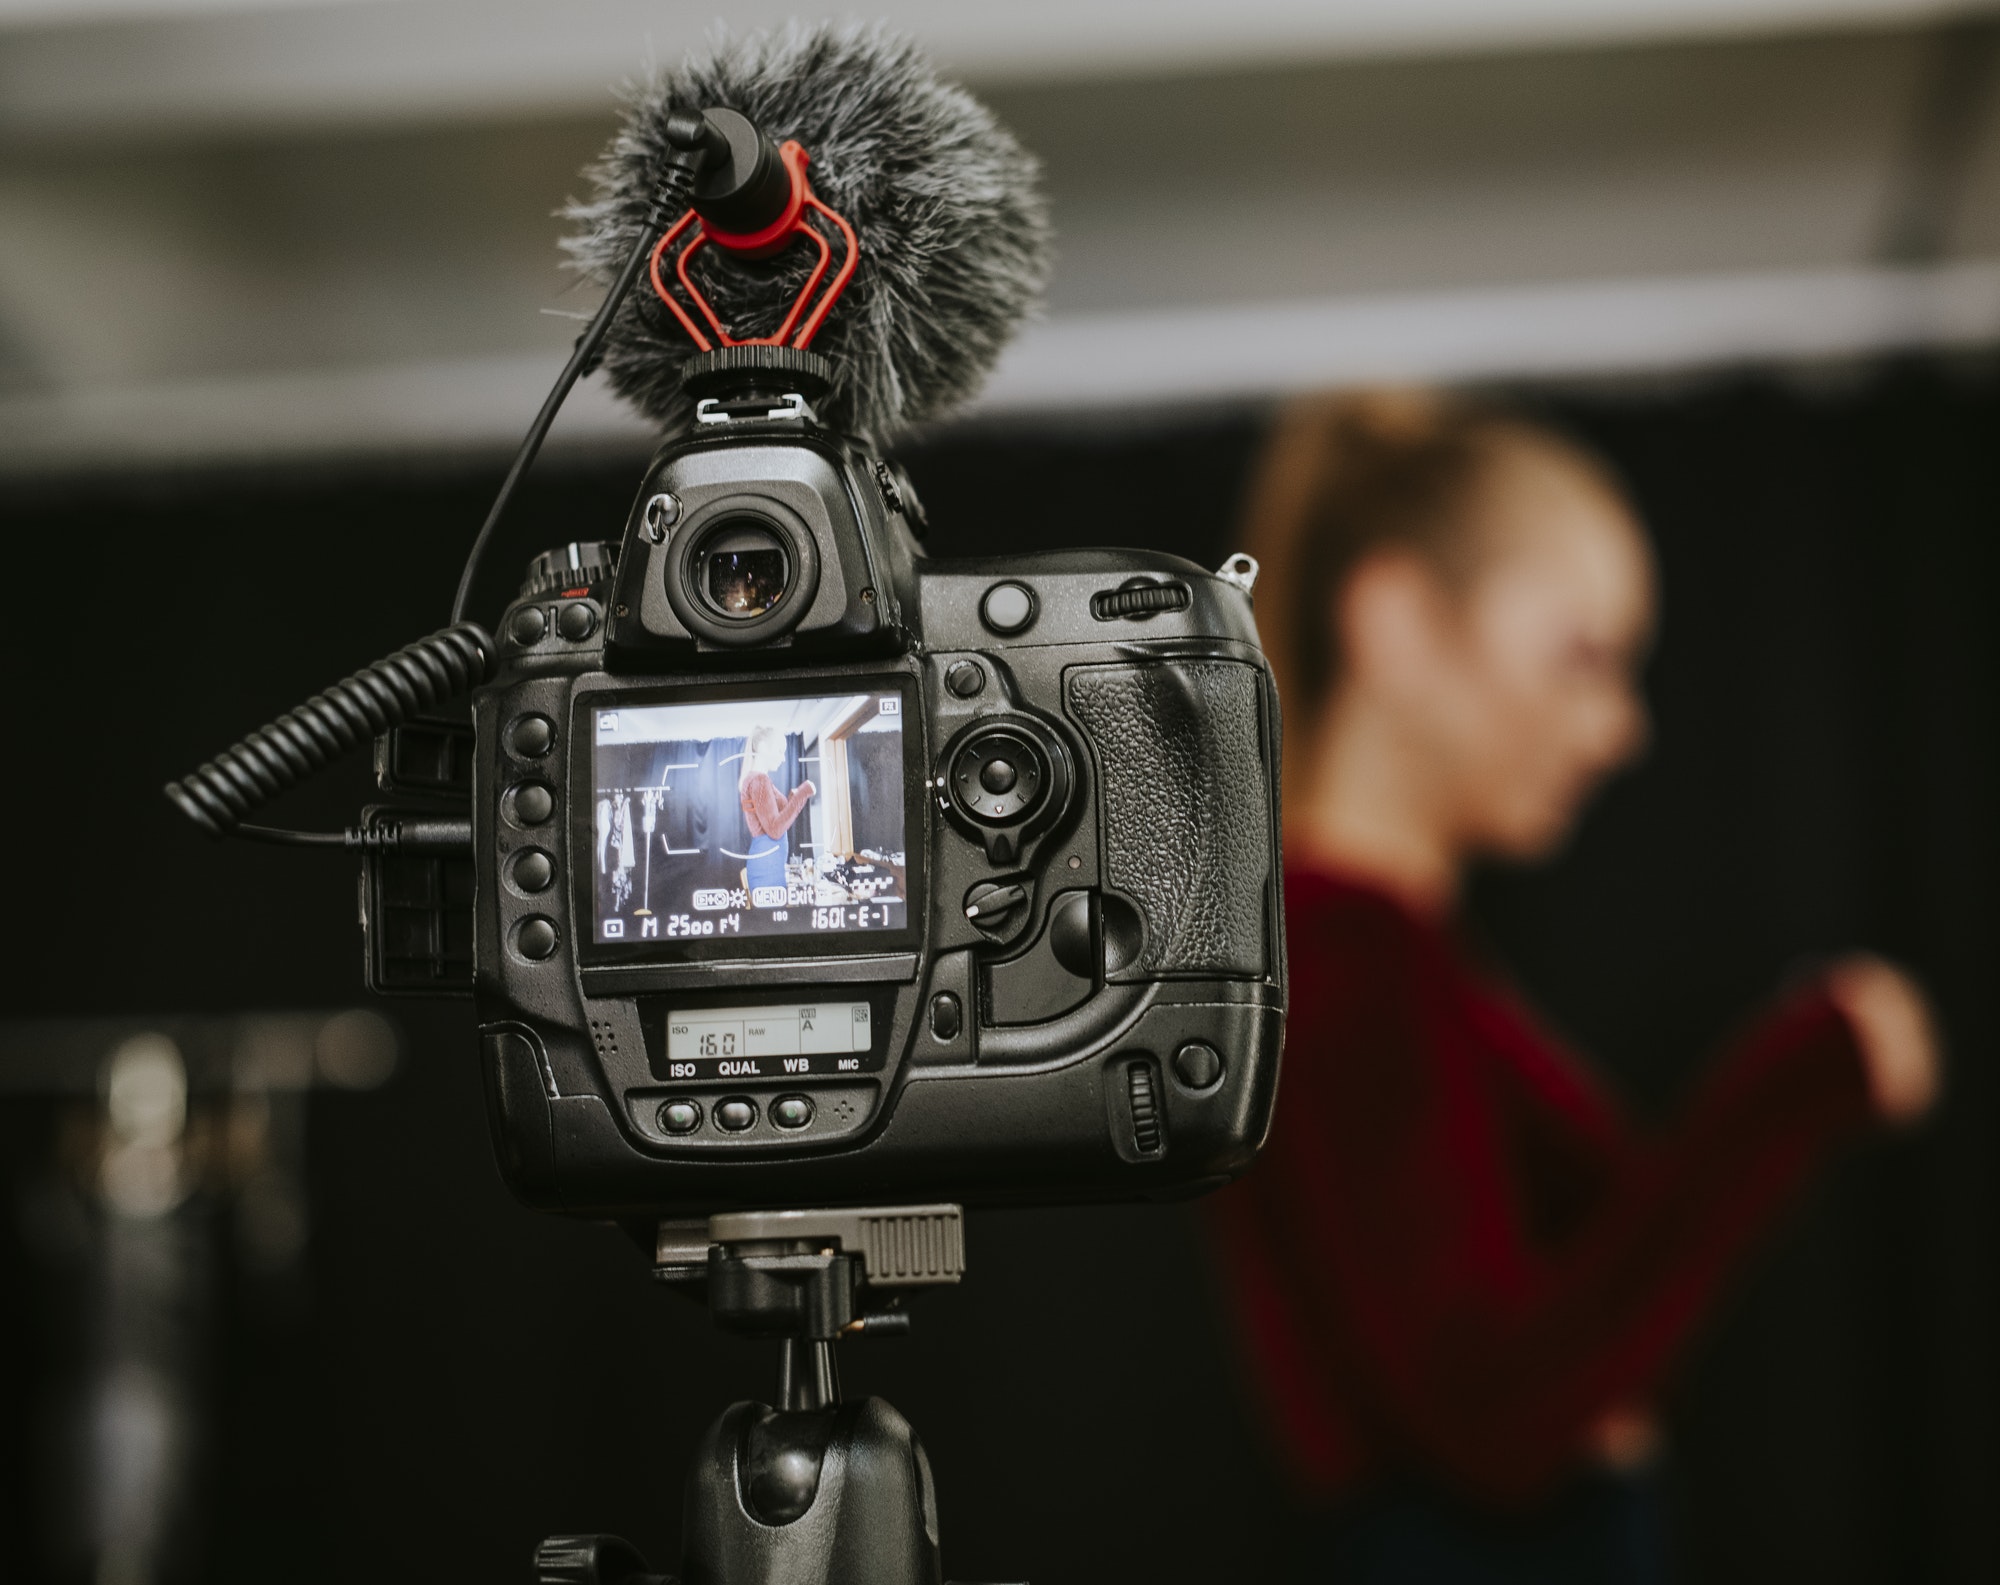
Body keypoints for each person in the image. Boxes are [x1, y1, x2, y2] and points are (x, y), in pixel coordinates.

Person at [1210, 391, 1941, 1583]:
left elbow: (1583, 1280)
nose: (1617, 728)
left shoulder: (1387, 952)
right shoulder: (1340, 960)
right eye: (1582, 657)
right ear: (1395, 622)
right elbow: (1492, 1414)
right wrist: (1804, 1073)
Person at [738, 724, 815, 896]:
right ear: (764, 748)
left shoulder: (758, 780)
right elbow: (775, 829)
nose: (783, 758)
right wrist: (804, 792)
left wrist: (794, 797)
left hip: (770, 865)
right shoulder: (759, 780)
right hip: (767, 869)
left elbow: (779, 816)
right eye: (780, 751)